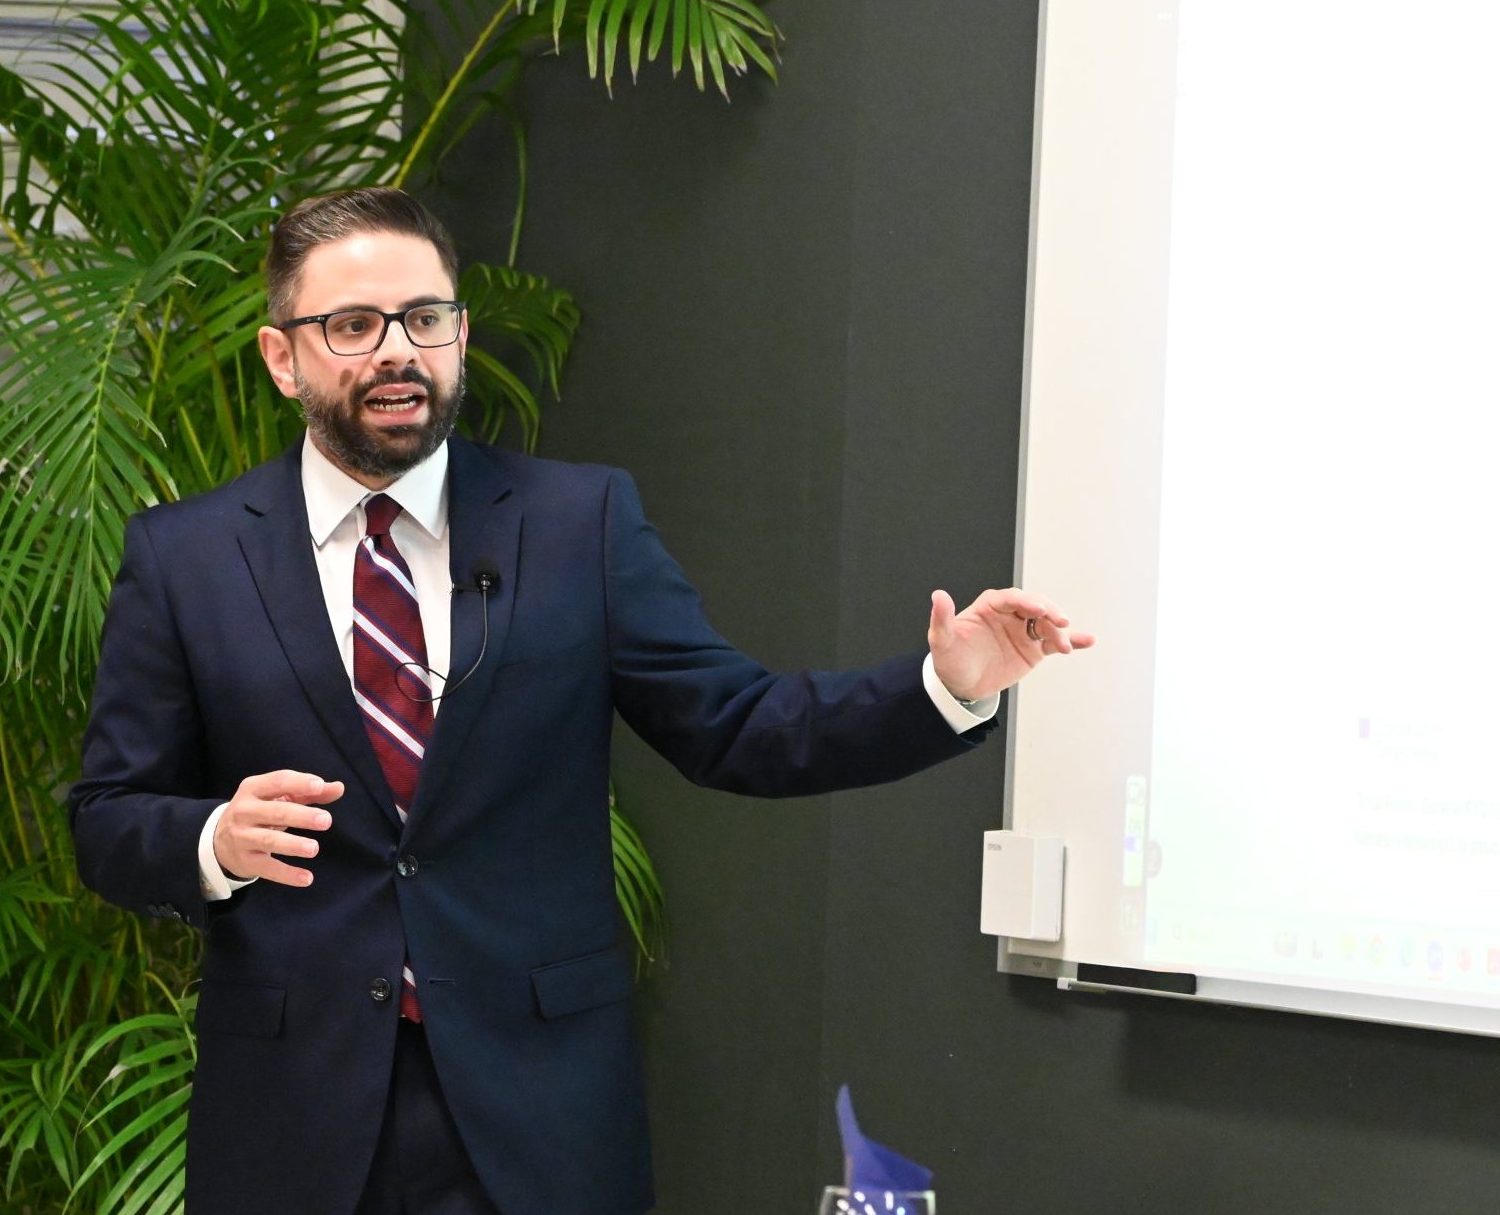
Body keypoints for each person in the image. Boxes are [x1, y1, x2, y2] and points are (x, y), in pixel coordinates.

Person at [68, 187, 1093, 1215]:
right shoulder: (187, 557)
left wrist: (942, 689)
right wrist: (214, 839)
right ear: (282, 356)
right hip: (295, 1116)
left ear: (460, 335)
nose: (398, 351)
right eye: (353, 326)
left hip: (538, 1113)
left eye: (424, 318)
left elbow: (736, 726)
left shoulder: (576, 522)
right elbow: (107, 818)